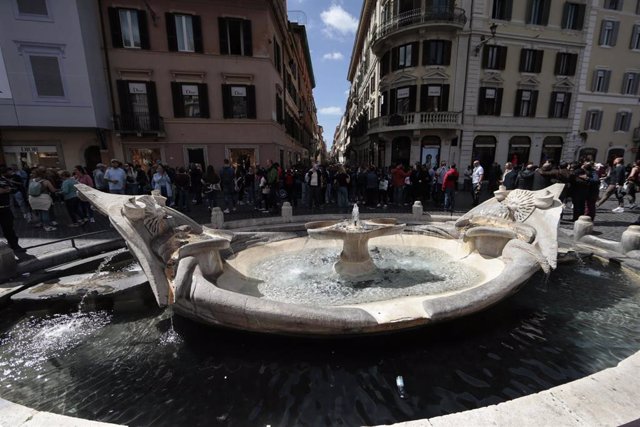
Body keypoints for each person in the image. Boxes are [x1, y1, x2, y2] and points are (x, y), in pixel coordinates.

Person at [0, 166, 25, 252]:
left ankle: (14, 245)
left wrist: (7, 190)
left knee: (9, 228)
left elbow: (14, 189)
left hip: (5, 208)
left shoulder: (3, 179)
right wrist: (4, 190)